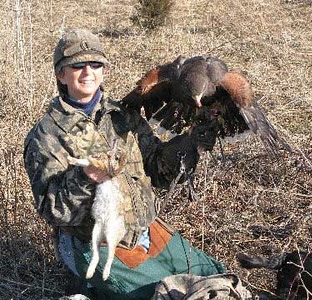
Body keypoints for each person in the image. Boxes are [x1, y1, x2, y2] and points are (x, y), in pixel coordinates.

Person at [23, 29, 249, 300]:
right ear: (61, 74)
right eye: (77, 65)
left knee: (220, 279)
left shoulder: (122, 116)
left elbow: (157, 168)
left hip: (147, 229)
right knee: (172, 295)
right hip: (96, 245)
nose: (87, 72)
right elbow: (52, 210)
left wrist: (190, 143)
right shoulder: (46, 135)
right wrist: (86, 177)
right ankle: (90, 287)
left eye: (95, 64)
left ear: (104, 70)